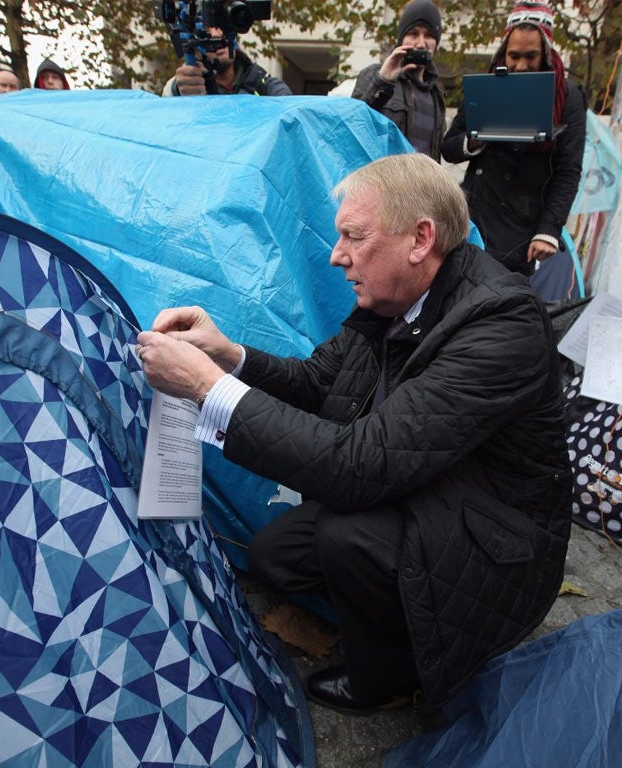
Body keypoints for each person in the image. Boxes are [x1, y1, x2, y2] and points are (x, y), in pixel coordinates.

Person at [135, 153, 572, 713]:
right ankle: (400, 614)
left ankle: (391, 678)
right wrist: (229, 357)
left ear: (420, 239)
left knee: (348, 537)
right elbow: (319, 381)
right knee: (276, 556)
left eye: (352, 236)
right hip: (423, 487)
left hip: (495, 539)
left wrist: (206, 390)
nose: (337, 255)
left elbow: (356, 468)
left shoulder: (499, 325)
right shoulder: (397, 298)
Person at [442, 1, 585, 276]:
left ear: (545, 52)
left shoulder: (567, 96)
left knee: (501, 308)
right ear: (503, 53)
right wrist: (477, 140)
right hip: (473, 219)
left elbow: (568, 171)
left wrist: (548, 230)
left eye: (530, 56)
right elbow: (449, 147)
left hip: (520, 229)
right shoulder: (486, 86)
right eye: (514, 56)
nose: (520, 66)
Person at [351, 0, 446, 162]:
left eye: (429, 35)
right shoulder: (375, 75)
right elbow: (354, 128)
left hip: (421, 185)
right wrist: (383, 81)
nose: (421, 43)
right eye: (413, 34)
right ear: (402, 39)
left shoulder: (437, 93)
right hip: (383, 182)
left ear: (436, 43)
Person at [163, 29, 291, 96]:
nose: (216, 34)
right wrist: (179, 90)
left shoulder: (267, 87)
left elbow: (289, 113)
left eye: (222, 26)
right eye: (206, 29)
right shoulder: (178, 86)